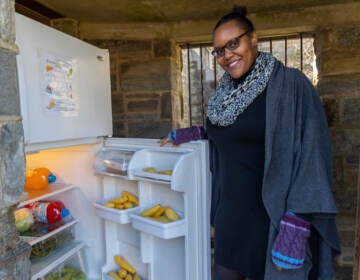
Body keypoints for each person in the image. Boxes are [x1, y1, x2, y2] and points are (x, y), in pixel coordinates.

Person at [160, 5, 341, 280]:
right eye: (219, 50)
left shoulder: (291, 85)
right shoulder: (223, 96)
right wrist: (192, 135)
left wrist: (297, 222)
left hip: (272, 220)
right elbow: (228, 135)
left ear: (253, 39)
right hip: (230, 216)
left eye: (233, 43)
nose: (226, 55)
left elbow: (313, 153)